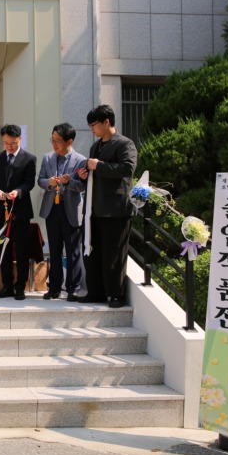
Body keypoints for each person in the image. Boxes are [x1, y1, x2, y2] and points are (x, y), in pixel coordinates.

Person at [76, 105, 138, 308]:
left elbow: (128, 168)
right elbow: (93, 171)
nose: (91, 128)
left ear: (106, 122)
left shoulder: (124, 144)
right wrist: (85, 175)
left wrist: (98, 166)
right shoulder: (96, 147)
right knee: (93, 252)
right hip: (94, 208)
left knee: (114, 253)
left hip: (116, 209)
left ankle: (116, 294)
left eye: (94, 124)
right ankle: (96, 292)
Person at [0, 124, 36, 300]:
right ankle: (6, 285)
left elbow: (30, 182)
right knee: (3, 249)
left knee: (21, 250)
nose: (9, 146)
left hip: (20, 211)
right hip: (1, 211)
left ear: (20, 139)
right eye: (6, 143)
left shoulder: (29, 158)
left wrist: (18, 192)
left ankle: (20, 286)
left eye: (13, 143)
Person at [38, 123, 87, 302]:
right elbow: (40, 180)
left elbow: (82, 186)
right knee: (54, 250)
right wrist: (49, 182)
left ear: (70, 141)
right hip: (52, 208)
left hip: (71, 210)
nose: (54, 144)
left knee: (73, 250)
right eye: (52, 140)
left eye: (58, 141)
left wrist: (68, 182)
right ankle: (55, 288)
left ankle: (73, 288)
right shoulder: (47, 158)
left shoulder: (81, 160)